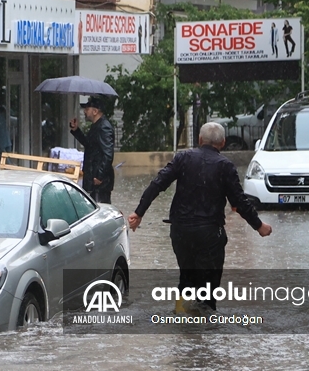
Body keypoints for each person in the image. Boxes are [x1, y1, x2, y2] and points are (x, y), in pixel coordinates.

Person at [127, 122, 272, 311]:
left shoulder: (183, 158)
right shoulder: (225, 166)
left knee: (186, 277)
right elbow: (239, 201)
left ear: (200, 139)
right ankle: (205, 325)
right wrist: (259, 225)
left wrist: (139, 212)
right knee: (209, 286)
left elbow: (157, 184)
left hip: (181, 231)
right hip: (209, 234)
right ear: (223, 142)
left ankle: (181, 318)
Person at [69, 96, 115, 203]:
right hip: (93, 178)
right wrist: (76, 130)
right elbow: (89, 145)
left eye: (87, 109)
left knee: (100, 208)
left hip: (99, 181)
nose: (84, 112)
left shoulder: (104, 127)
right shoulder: (96, 126)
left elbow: (108, 154)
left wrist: (99, 176)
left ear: (95, 111)